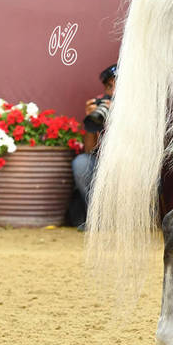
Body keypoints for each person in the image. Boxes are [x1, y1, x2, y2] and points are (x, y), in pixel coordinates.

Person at [70, 63, 116, 230]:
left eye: (118, 86)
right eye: (109, 87)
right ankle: (97, 219)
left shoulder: (140, 108)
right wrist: (92, 121)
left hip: (131, 168)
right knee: (81, 162)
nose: (113, 92)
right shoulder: (102, 106)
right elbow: (89, 150)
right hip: (104, 165)